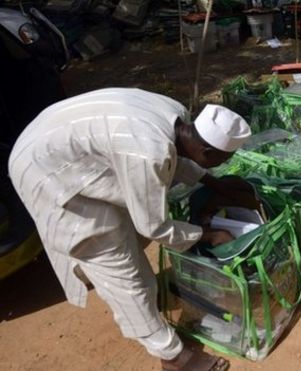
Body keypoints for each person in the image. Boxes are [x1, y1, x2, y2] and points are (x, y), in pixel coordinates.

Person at [8, 88, 259, 370]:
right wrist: (208, 234)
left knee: (126, 234)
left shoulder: (177, 115)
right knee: (116, 266)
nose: (222, 166)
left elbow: (175, 156)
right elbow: (155, 228)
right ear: (207, 150)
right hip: (46, 168)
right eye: (222, 161)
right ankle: (174, 356)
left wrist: (213, 183)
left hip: (58, 136)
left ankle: (149, 305)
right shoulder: (147, 152)